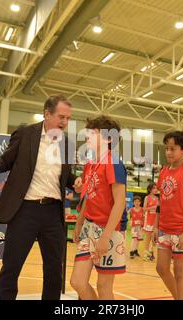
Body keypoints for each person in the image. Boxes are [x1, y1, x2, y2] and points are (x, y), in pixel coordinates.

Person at [0, 95, 82, 300]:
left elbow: (63, 175)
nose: (65, 122)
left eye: (68, 118)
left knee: (55, 269)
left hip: (53, 213)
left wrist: (75, 181)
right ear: (47, 113)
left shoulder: (68, 144)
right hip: (24, 211)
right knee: (12, 266)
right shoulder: (26, 133)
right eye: (61, 117)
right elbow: (7, 159)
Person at [70, 115, 127, 300]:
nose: (87, 135)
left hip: (109, 230)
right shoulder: (91, 164)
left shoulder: (114, 163)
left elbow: (119, 203)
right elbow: (87, 197)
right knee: (77, 282)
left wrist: (105, 236)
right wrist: (79, 223)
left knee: (103, 287)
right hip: (89, 227)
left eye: (93, 133)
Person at [155, 131, 183, 300]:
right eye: (167, 148)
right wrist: (156, 227)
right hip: (165, 229)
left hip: (181, 229)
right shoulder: (164, 171)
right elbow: (161, 202)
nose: (168, 152)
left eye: (173, 149)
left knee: (180, 270)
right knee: (161, 268)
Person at [142, 183, 158, 261]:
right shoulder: (147, 197)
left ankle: (151, 253)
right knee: (148, 237)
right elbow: (144, 209)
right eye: (154, 188)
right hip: (148, 219)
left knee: (153, 238)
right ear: (150, 189)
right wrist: (152, 207)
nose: (156, 190)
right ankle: (145, 254)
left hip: (155, 220)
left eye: (156, 188)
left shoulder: (157, 198)